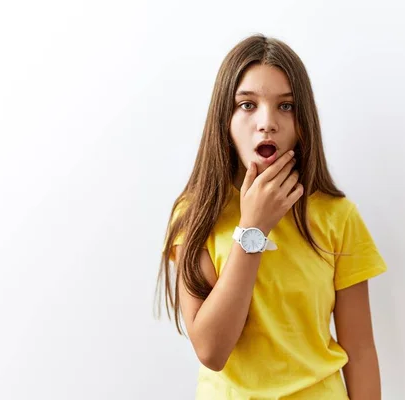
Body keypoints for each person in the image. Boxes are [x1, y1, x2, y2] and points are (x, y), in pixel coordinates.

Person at [155, 33, 388, 400]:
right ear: (224, 118)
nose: (267, 122)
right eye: (248, 105)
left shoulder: (337, 216)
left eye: (286, 106)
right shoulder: (195, 214)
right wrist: (253, 228)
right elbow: (212, 352)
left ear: (303, 119)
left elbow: (360, 351)